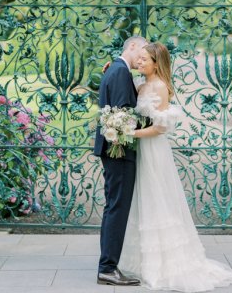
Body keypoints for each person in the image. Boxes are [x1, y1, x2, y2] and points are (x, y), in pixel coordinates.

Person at [118, 42, 232, 292]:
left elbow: (160, 128)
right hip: (142, 150)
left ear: (157, 63)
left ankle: (164, 266)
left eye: (145, 59)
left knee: (158, 200)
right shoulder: (142, 85)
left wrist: (130, 133)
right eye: (140, 58)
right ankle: (144, 262)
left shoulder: (160, 87)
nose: (140, 62)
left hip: (154, 150)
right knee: (142, 200)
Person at [94, 35, 147, 286]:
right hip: (119, 152)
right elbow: (123, 114)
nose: (143, 58)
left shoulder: (115, 69)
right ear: (133, 45)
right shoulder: (119, 73)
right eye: (143, 51)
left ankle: (108, 264)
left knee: (113, 207)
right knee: (117, 208)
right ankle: (107, 267)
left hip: (116, 150)